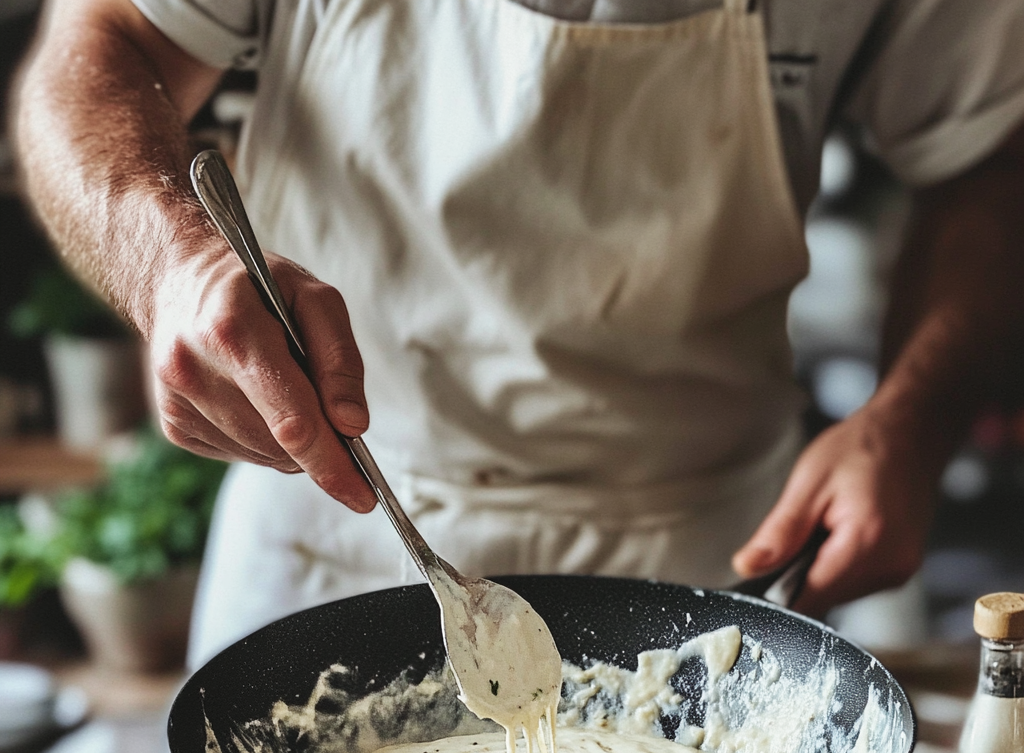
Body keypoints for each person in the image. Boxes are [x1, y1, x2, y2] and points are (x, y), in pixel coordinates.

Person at [14, 0, 1024, 667]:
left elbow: (986, 161)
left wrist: (911, 417)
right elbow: (98, 46)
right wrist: (171, 265)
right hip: (342, 519)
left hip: (712, 561)